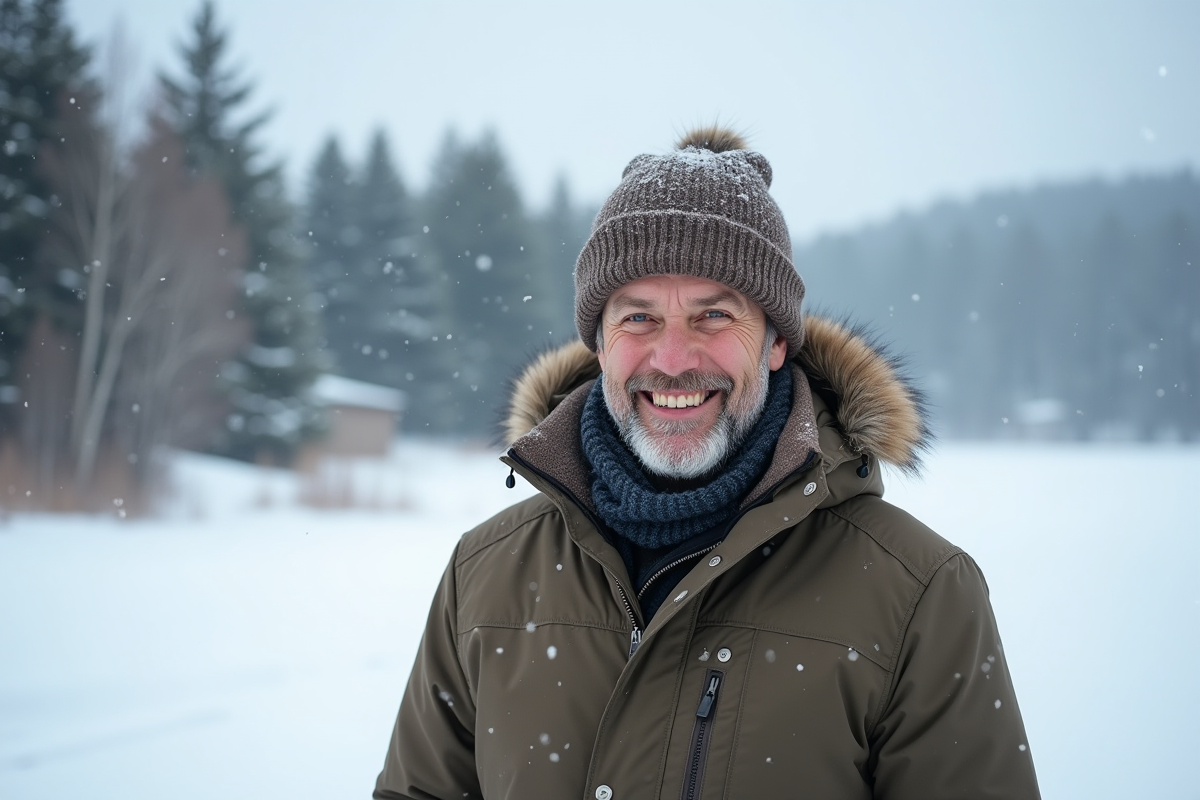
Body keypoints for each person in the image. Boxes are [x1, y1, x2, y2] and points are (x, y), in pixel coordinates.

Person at [374, 126, 1040, 799]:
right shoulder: (487, 574)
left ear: (776, 342)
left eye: (713, 316)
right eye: (637, 319)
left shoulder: (917, 592)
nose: (672, 359)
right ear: (599, 344)